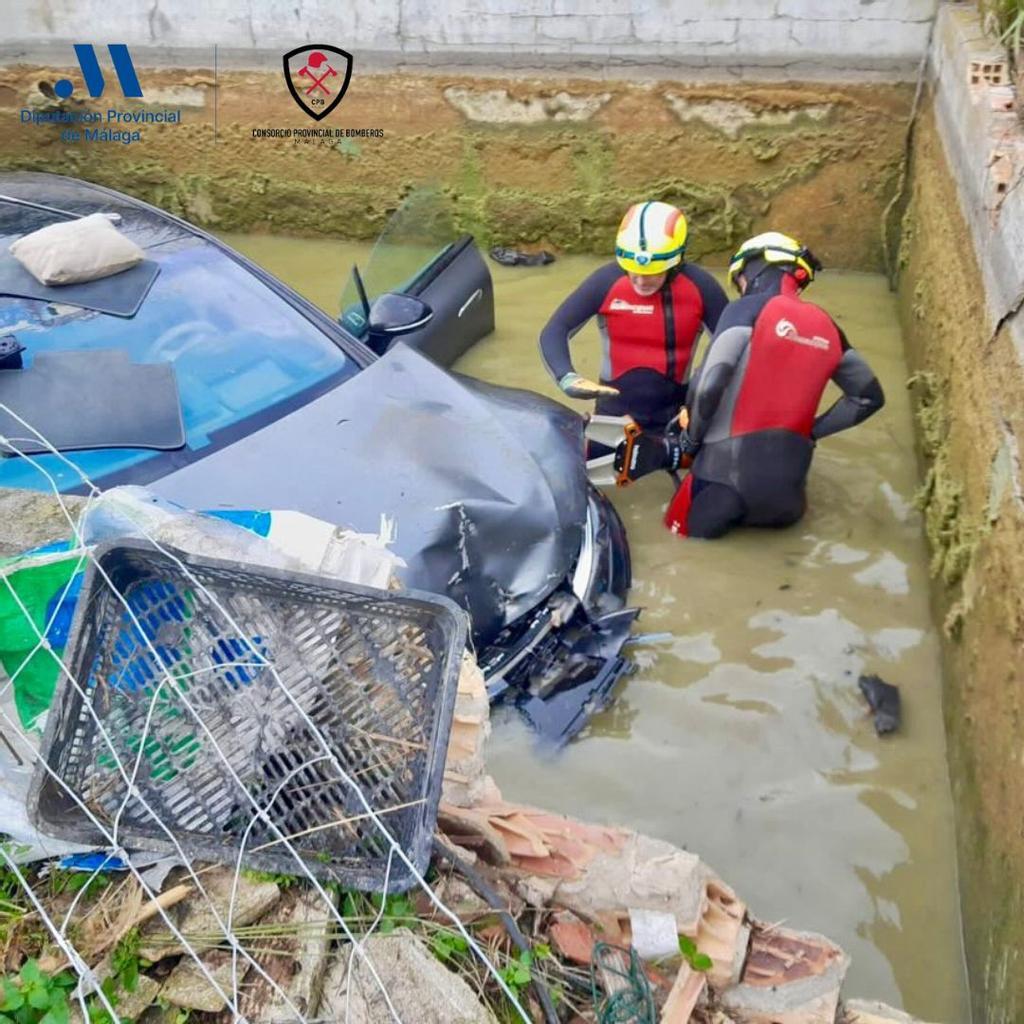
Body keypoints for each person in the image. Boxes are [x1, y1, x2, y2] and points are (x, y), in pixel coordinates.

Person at [662, 231, 885, 539]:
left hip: (721, 486)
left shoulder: (745, 310)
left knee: (676, 548)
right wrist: (809, 431)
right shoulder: (829, 327)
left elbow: (708, 386)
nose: (740, 287)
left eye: (739, 279)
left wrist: (690, 439)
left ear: (752, 269)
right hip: (788, 501)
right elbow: (869, 398)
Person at [539, 201, 727, 433]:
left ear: (676, 261)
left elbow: (734, 350)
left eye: (652, 273)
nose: (640, 281)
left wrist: (707, 400)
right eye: (633, 272)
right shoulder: (605, 282)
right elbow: (555, 330)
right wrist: (566, 377)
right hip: (612, 417)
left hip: (676, 418)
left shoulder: (701, 287)